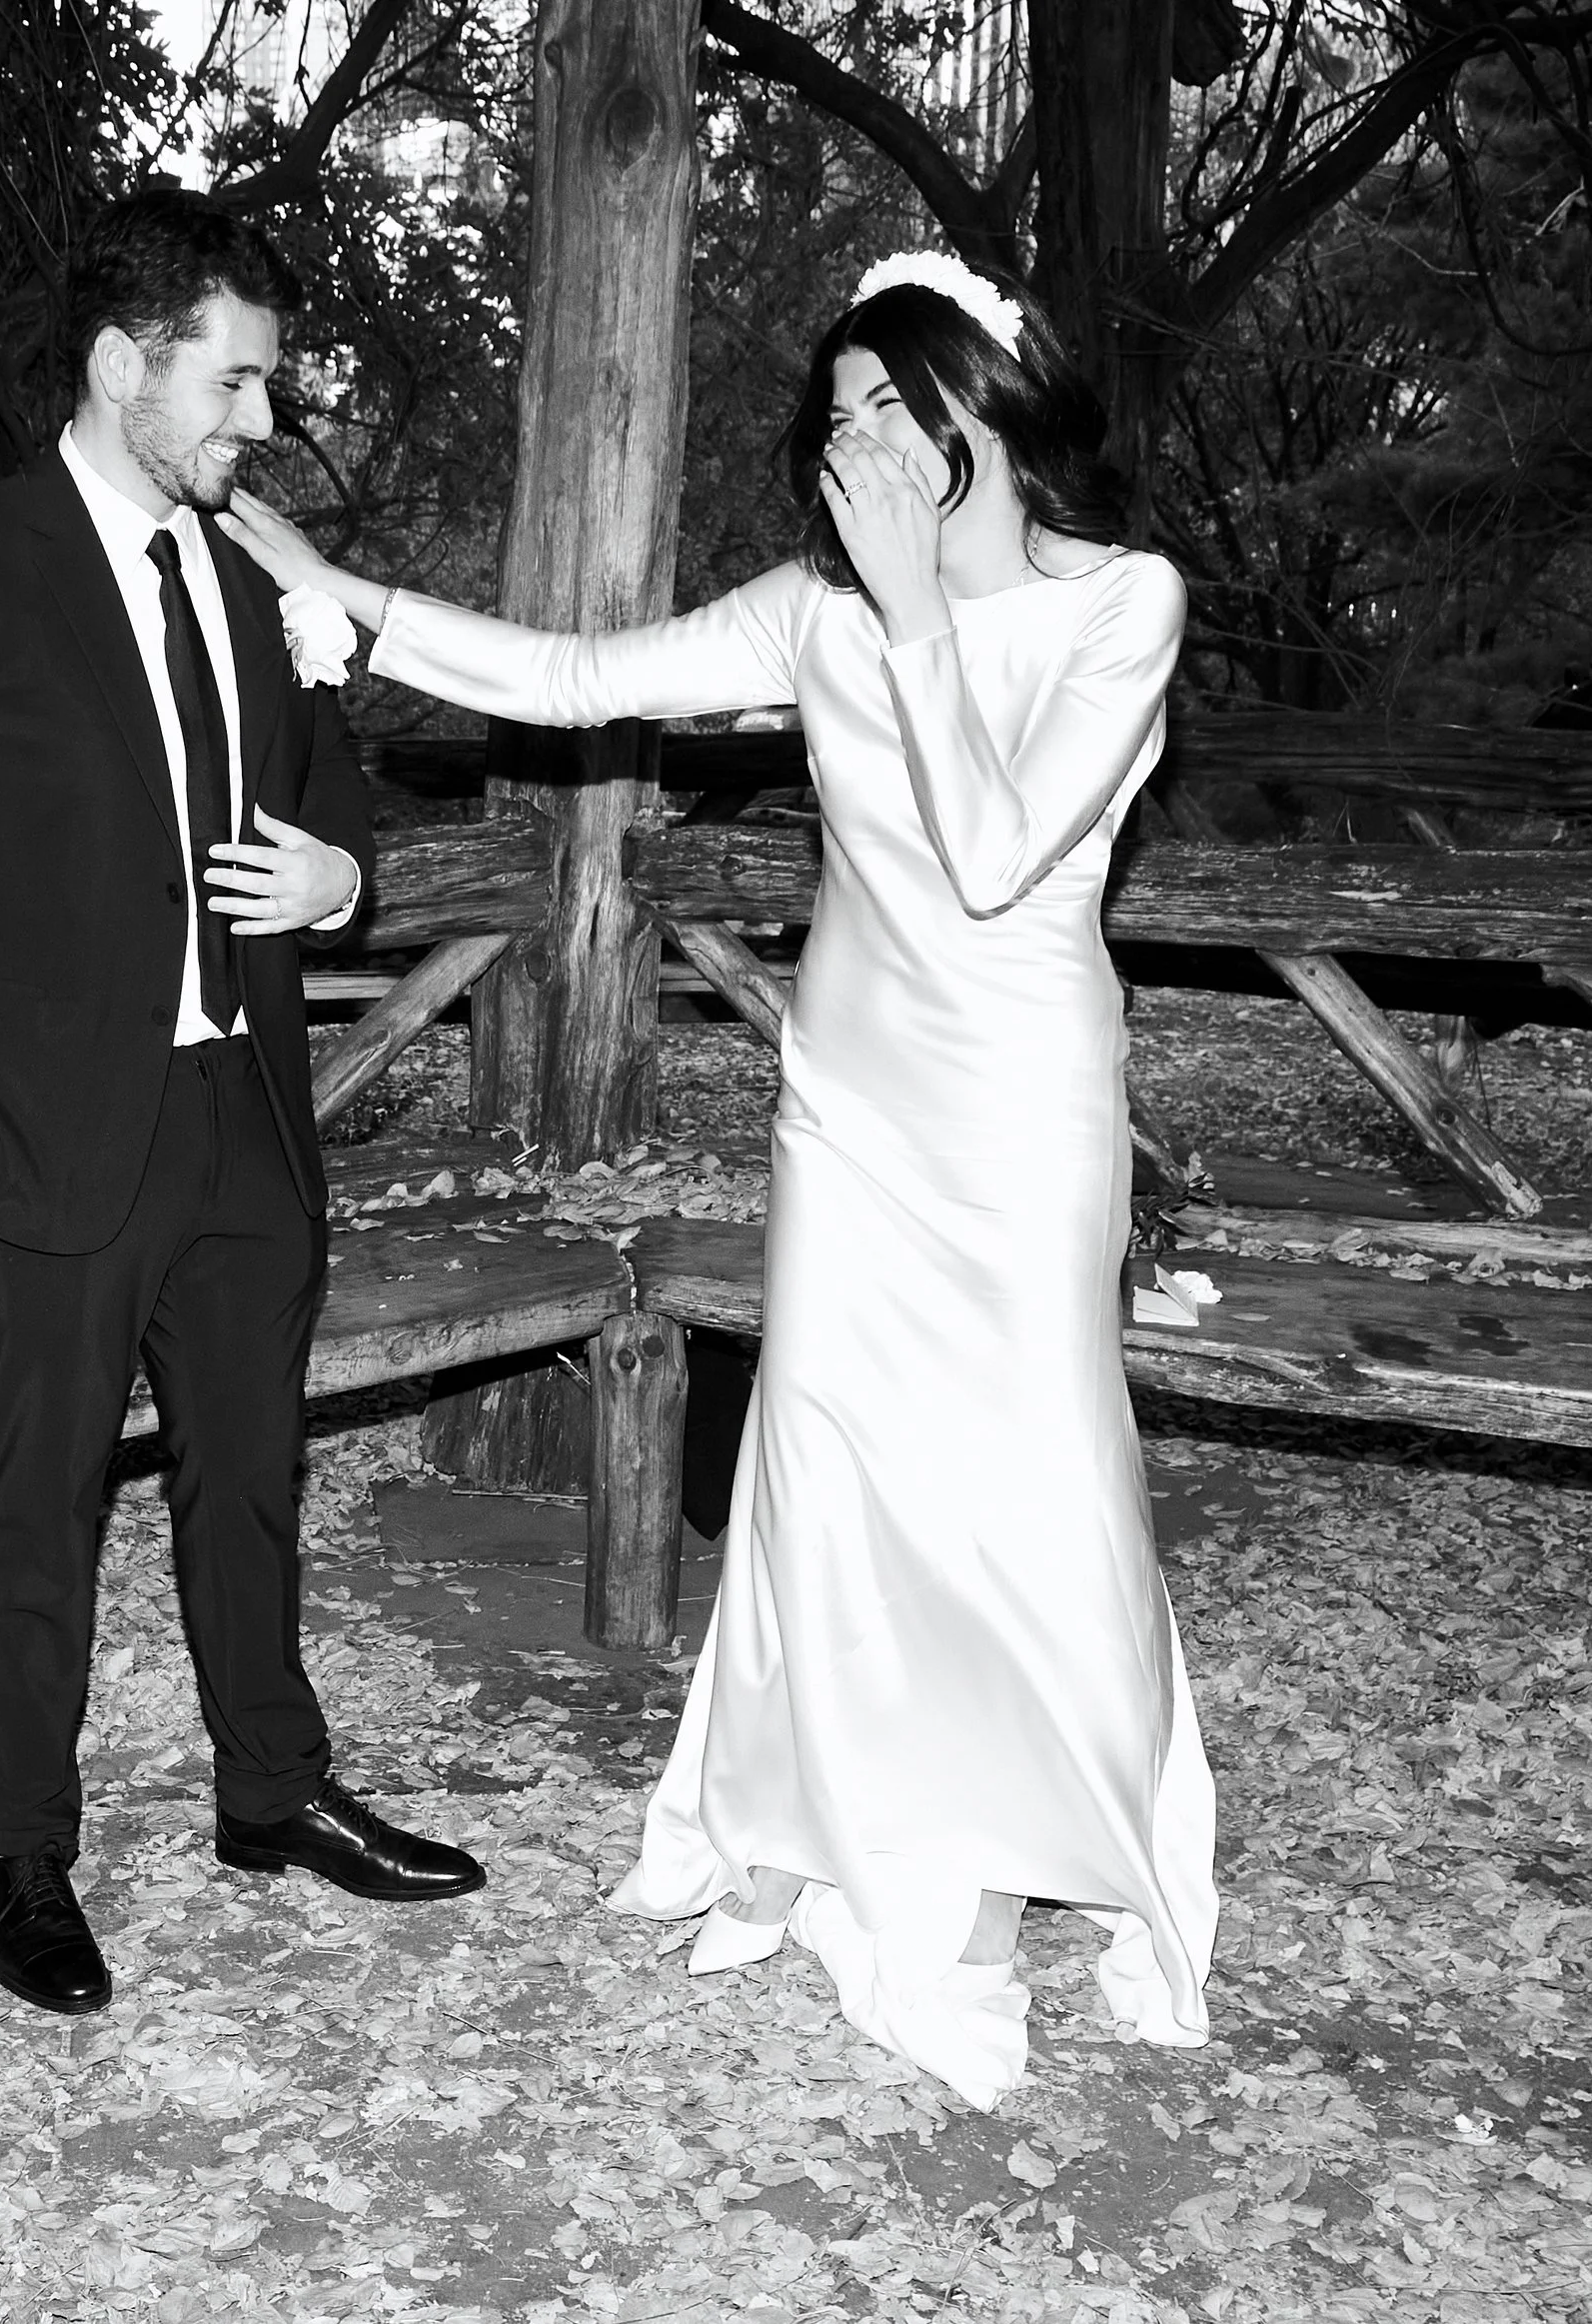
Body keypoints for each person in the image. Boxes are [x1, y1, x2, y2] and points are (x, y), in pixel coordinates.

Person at [220, 251, 1216, 2108]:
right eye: (829, 418)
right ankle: (801, 1796)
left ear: (975, 405)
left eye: (881, 408)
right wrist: (348, 607)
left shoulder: (1120, 607)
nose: (847, 446)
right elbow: (582, 679)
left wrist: (919, 607)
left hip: (1017, 1111)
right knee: (832, 1455)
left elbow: (996, 851)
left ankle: (995, 1862)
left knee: (1013, 1465)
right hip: (849, 1099)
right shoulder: (817, 613)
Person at [0, 188, 484, 2020]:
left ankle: (273, 1789)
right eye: (233, 386)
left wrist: (342, 882)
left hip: (243, 1117)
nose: (261, 425)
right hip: (46, 1135)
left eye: (266, 388)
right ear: (118, 369)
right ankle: (22, 1856)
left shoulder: (249, 583)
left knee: (252, 1479)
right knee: (39, 1502)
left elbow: (332, 798)